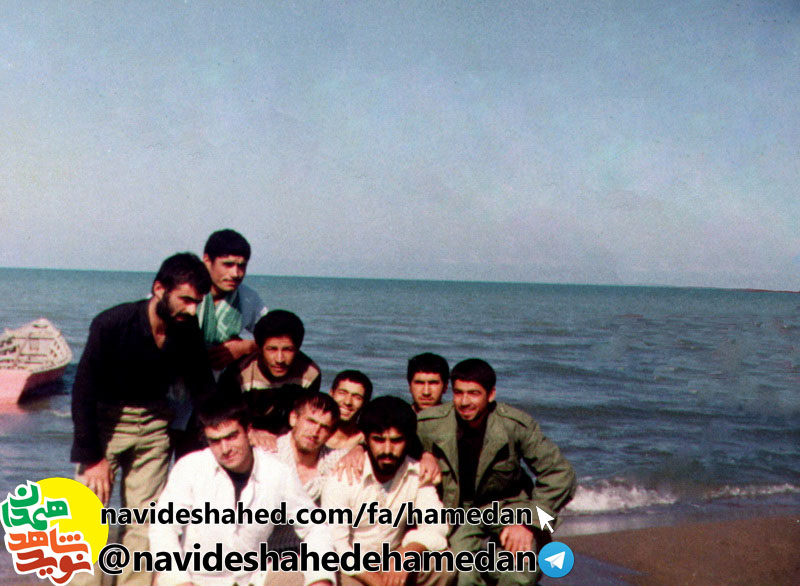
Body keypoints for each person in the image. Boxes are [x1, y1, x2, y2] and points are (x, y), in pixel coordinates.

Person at [70, 253, 216, 586]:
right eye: (185, 300)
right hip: (105, 425)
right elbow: (83, 391)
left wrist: (231, 429)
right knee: (87, 519)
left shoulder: (187, 328)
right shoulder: (112, 323)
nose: (192, 310)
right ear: (159, 288)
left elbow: (203, 388)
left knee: (145, 522)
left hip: (154, 425)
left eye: (197, 302)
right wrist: (91, 457)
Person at [417, 358, 576, 585]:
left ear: (490, 394)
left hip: (511, 508)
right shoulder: (430, 424)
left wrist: (529, 523)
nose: (464, 401)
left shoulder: (514, 425)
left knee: (520, 572)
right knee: (461, 576)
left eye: (474, 393)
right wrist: (423, 453)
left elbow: (561, 475)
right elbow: (389, 441)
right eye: (458, 393)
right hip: (460, 513)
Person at [149, 395, 335, 586]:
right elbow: (163, 528)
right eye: (215, 441)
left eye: (232, 437)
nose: (225, 449)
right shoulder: (189, 467)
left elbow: (315, 527)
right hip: (193, 578)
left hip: (251, 580)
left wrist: (320, 578)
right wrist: (178, 579)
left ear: (248, 431)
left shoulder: (278, 472)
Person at [322, 397, 454, 586]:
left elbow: (437, 525)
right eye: (378, 440)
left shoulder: (418, 473)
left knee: (444, 563)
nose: (387, 450)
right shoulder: (343, 476)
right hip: (351, 569)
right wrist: (375, 581)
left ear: (408, 440)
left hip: (393, 563)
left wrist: (408, 552)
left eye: (396, 441)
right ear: (365, 439)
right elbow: (336, 544)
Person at [219, 309, 320, 440]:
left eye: (287, 350)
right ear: (260, 349)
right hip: (245, 433)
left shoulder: (310, 374)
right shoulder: (238, 374)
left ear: (298, 348)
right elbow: (224, 419)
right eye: (272, 349)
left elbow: (305, 419)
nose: (279, 359)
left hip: (285, 437)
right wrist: (251, 432)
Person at [270, 392, 345, 556]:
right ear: (293, 419)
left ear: (331, 434)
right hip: (263, 550)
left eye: (324, 427)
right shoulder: (269, 455)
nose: (315, 431)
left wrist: (358, 450)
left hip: (308, 550)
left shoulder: (335, 460)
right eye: (310, 421)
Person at [198, 229, 268, 371]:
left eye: (241, 266)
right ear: (207, 261)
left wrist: (247, 347)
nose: (235, 274)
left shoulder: (248, 297)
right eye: (227, 264)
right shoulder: (182, 292)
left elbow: (278, 335)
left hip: (224, 378)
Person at [326, 370, 372, 450]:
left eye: (357, 397)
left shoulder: (366, 442)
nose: (347, 402)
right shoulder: (314, 433)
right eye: (342, 393)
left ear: (365, 403)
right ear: (331, 393)